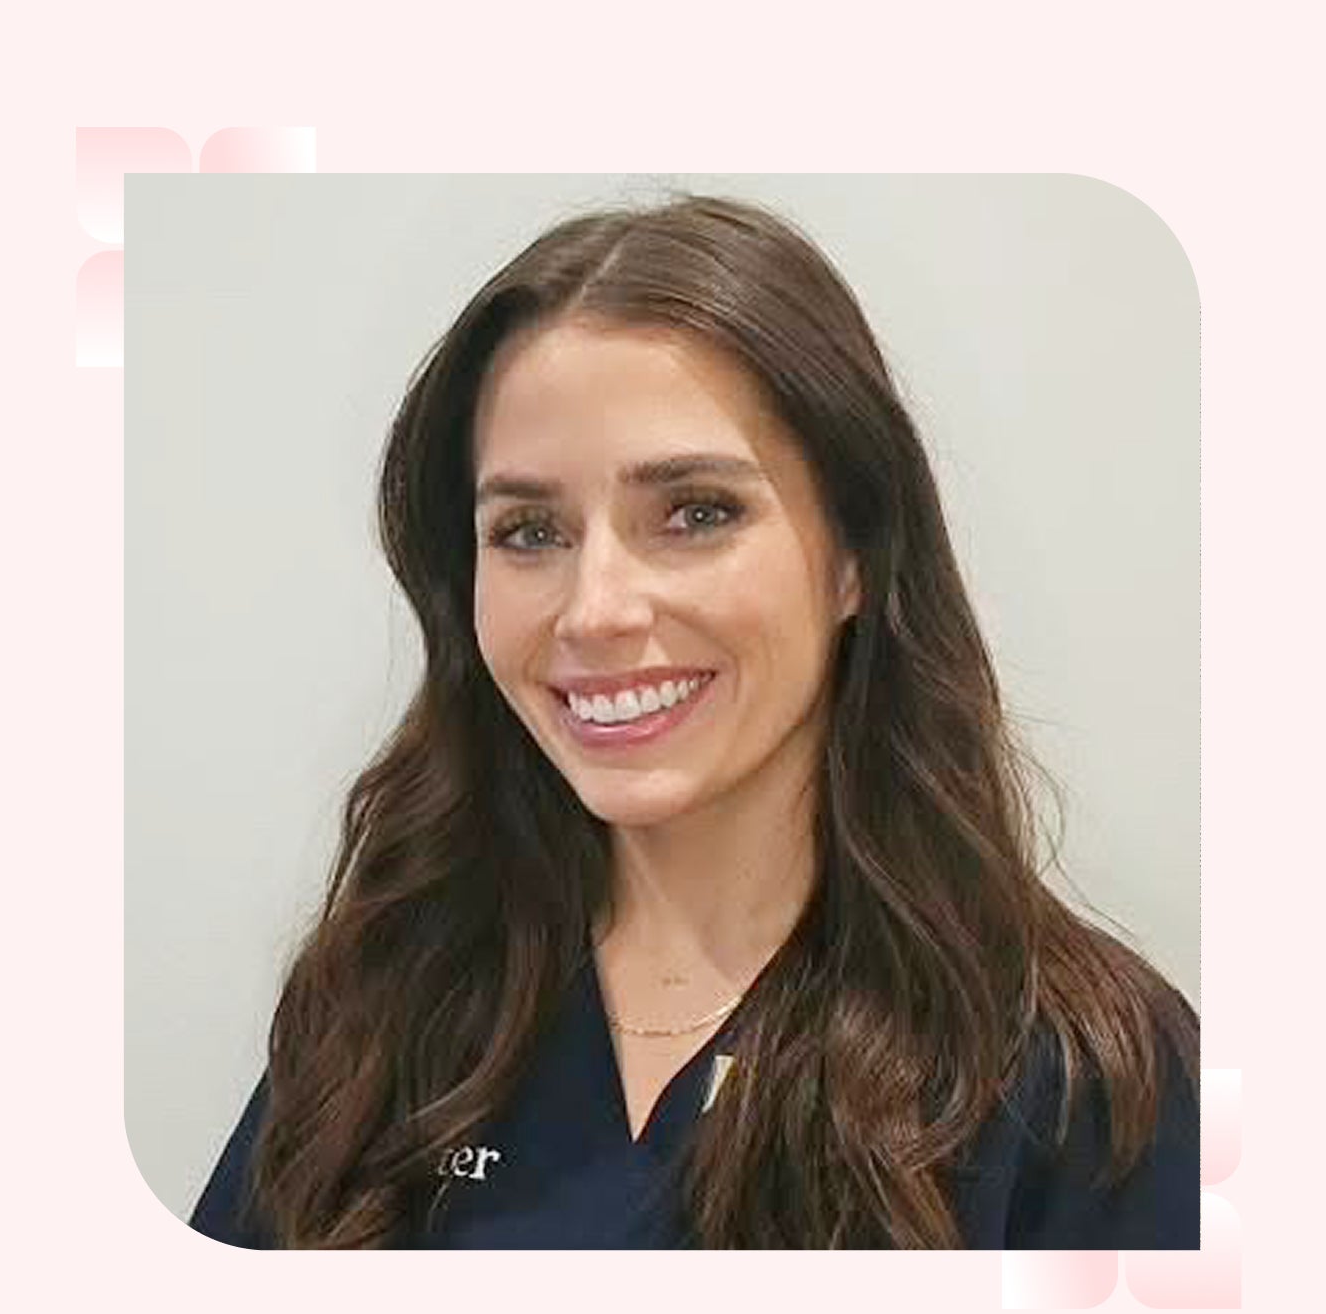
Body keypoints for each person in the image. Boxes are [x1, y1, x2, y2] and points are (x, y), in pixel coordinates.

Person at [189, 192, 1200, 1250]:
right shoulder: (383, 1008)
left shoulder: (1086, 1077)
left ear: (855, 553)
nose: (597, 609)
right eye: (529, 530)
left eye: (697, 514)